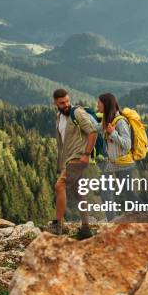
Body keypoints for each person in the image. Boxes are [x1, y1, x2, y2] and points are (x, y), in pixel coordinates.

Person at [48, 88, 98, 238]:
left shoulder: (77, 113)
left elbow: (93, 131)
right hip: (68, 159)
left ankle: (58, 226)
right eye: (62, 103)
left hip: (78, 158)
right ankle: (86, 228)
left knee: (59, 186)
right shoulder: (59, 117)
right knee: (79, 193)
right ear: (55, 103)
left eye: (67, 101)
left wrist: (86, 154)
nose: (66, 105)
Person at [96, 93, 137, 221]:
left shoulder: (120, 122)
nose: (97, 105)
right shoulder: (108, 120)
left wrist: (112, 133)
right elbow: (95, 128)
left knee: (130, 194)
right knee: (105, 192)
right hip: (113, 164)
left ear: (106, 105)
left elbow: (127, 144)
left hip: (124, 164)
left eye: (99, 103)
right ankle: (112, 222)